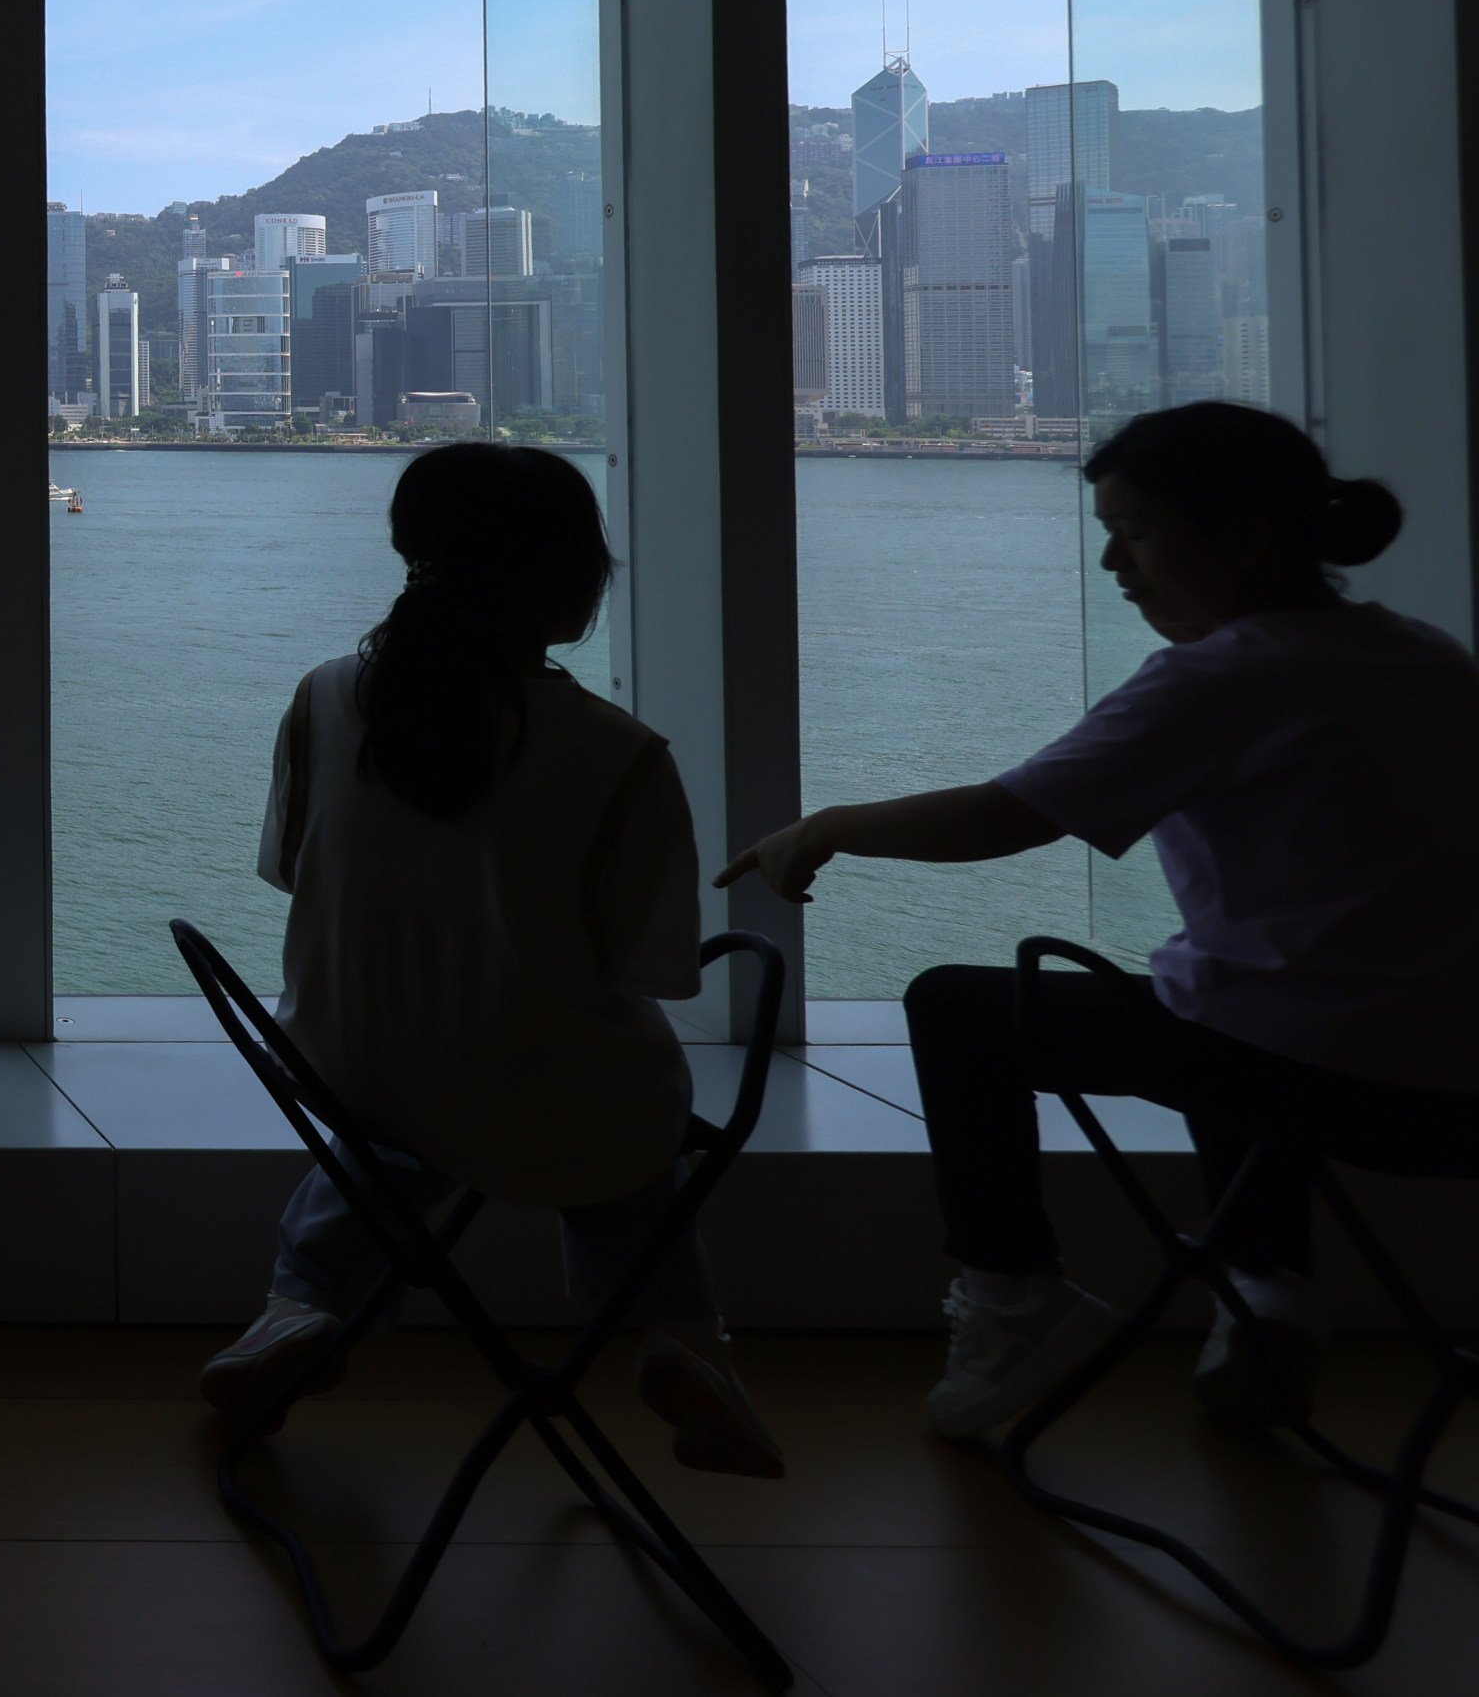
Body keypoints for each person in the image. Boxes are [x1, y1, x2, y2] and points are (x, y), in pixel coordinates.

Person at [722, 402, 1479, 1442]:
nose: (1114, 564)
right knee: (1214, 987)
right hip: (1454, 1090)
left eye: (1133, 531)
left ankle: (1013, 1300)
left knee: (962, 1006)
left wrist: (829, 825)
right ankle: (1265, 1295)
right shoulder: (1430, 656)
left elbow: (1008, 815)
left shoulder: (1221, 675)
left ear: (1246, 537)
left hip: (1322, 1078)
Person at [200, 443, 782, 1479]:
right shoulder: (618, 749)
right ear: (567, 574)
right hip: (552, 1102)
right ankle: (684, 1337)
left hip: (348, 1076)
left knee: (413, 1106)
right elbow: (652, 965)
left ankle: (303, 1301)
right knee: (613, 1101)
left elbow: (290, 871)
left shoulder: (328, 696)